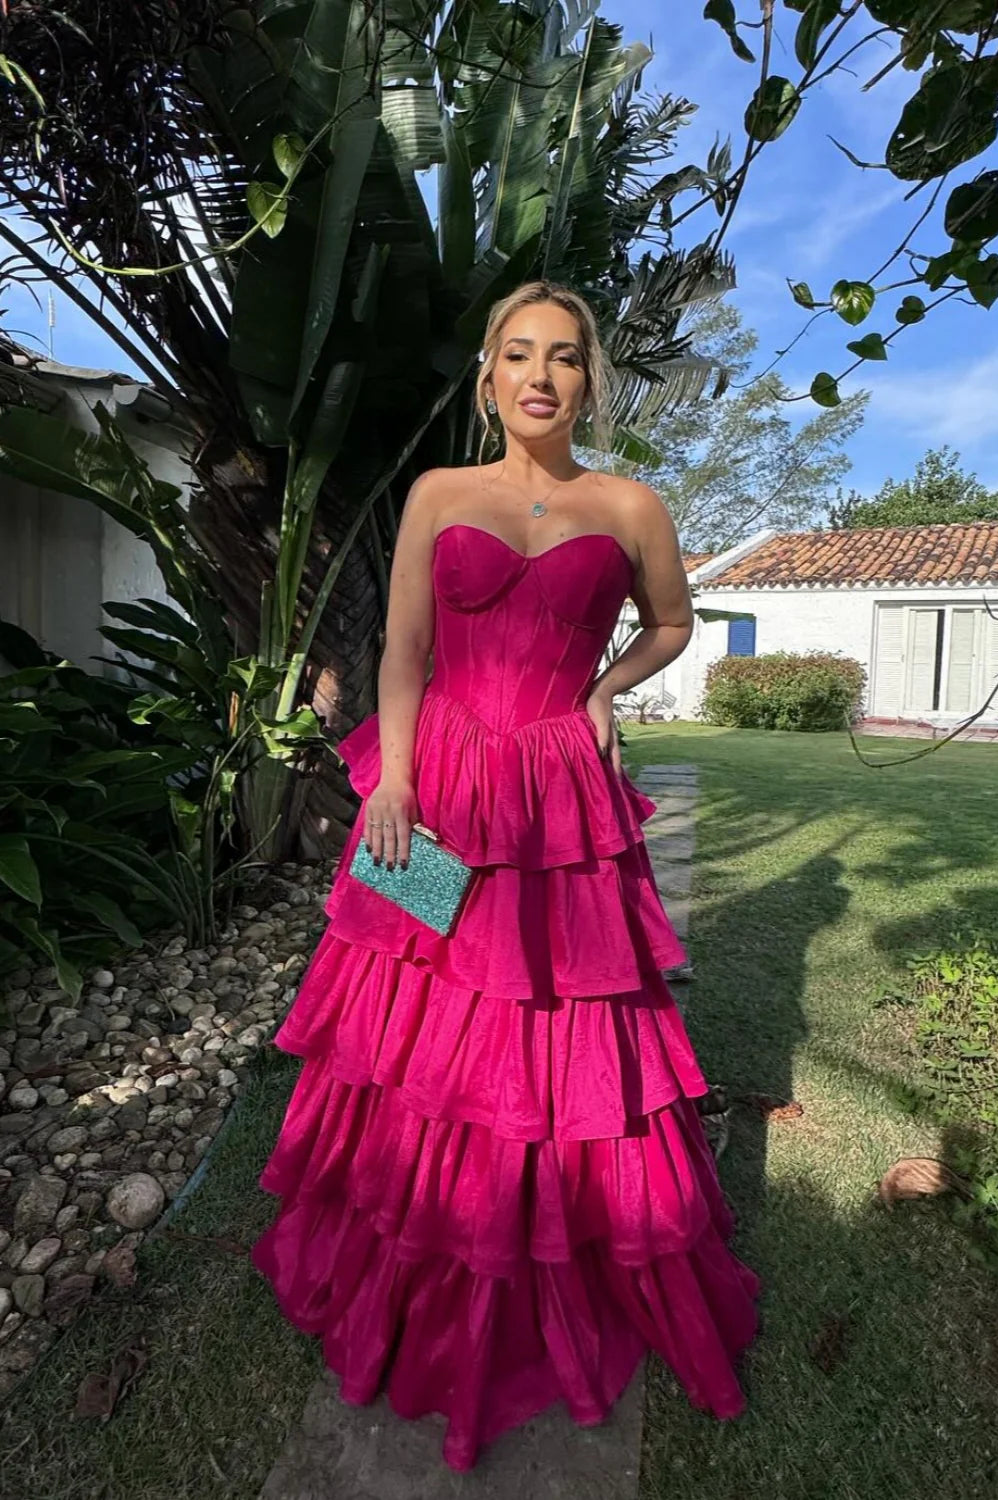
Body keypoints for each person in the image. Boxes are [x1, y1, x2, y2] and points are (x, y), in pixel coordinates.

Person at [250, 279, 760, 1471]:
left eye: (565, 356)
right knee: (415, 1016)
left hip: (559, 800)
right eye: (518, 353)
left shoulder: (630, 504)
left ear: (589, 380)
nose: (541, 374)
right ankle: (424, 1232)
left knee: (563, 1009)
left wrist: (601, 691)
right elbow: (405, 649)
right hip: (437, 786)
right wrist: (391, 782)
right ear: (487, 378)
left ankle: (551, 1231)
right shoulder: (440, 492)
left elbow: (672, 624)